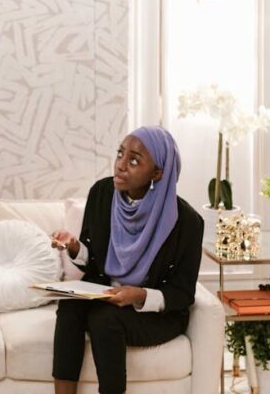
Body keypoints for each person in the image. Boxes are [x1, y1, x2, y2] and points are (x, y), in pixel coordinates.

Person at [49, 126, 203, 394]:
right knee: (70, 308)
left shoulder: (188, 223)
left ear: (158, 173)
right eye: (120, 154)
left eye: (134, 160)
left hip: (154, 314)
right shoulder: (102, 193)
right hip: (105, 293)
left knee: (105, 320)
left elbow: (182, 293)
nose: (120, 165)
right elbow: (94, 260)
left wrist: (139, 295)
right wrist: (74, 247)